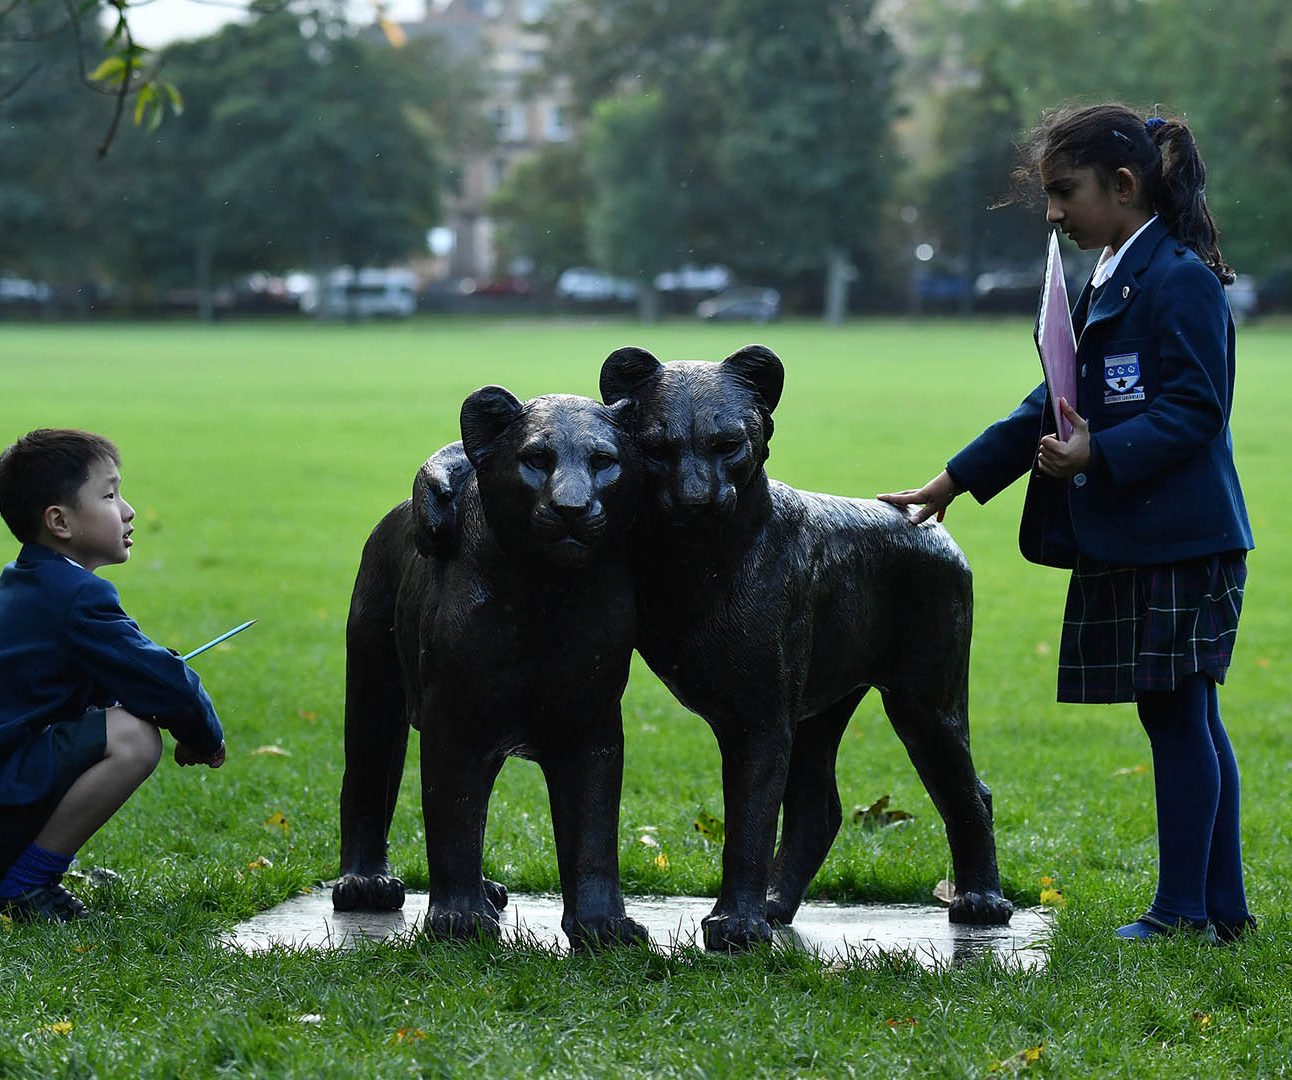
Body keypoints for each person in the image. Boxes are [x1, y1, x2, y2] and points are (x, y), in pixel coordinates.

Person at [880, 104, 1255, 944]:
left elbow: (1198, 410)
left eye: (1064, 192)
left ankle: (1184, 913)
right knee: (1185, 714)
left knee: (1179, 714)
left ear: (1123, 186)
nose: (1053, 213)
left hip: (1185, 541)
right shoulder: (1111, 275)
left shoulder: (1179, 278)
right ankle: (1221, 911)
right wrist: (950, 481)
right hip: (1140, 537)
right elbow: (1045, 407)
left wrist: (1097, 455)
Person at [0, 429, 226, 923]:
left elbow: (126, 675)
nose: (129, 510)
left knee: (115, 716)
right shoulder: (79, 597)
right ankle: (26, 882)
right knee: (133, 738)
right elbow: (165, 683)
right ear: (59, 521)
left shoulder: (25, 582)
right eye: (109, 494)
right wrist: (205, 738)